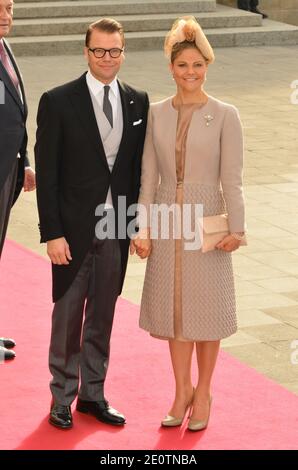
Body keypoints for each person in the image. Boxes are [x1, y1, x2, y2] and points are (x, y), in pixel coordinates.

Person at [131, 17, 246, 431]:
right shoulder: (157, 114)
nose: (191, 73)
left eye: (198, 65)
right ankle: (181, 392)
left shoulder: (225, 114)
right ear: (171, 68)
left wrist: (238, 228)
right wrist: (141, 228)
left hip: (207, 219)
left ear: (207, 66)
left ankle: (206, 391)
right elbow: (148, 178)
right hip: (165, 216)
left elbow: (232, 178)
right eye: (183, 65)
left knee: (206, 311)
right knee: (174, 313)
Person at [35, 18, 149, 430]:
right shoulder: (58, 100)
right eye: (99, 50)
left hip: (114, 229)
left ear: (123, 52)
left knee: (102, 315)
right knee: (67, 317)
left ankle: (93, 395)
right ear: (86, 52)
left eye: (114, 50)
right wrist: (52, 233)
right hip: (72, 231)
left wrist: (133, 226)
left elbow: (136, 172)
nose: (106, 58)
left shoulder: (138, 101)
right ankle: (61, 397)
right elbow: (47, 175)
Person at [0, 0, 36, 362]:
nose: (6, 16)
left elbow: (13, 114)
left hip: (6, 172)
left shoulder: (4, 47)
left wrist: (22, 160)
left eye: (9, 7)